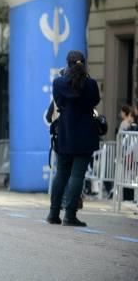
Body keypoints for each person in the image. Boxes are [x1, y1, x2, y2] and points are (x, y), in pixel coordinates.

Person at [46, 50, 101, 227]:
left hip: (65, 133)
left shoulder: (59, 83)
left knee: (61, 173)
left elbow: (59, 103)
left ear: (67, 63)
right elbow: (95, 101)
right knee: (77, 175)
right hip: (85, 134)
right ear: (83, 63)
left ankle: (53, 214)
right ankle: (70, 216)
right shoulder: (91, 84)